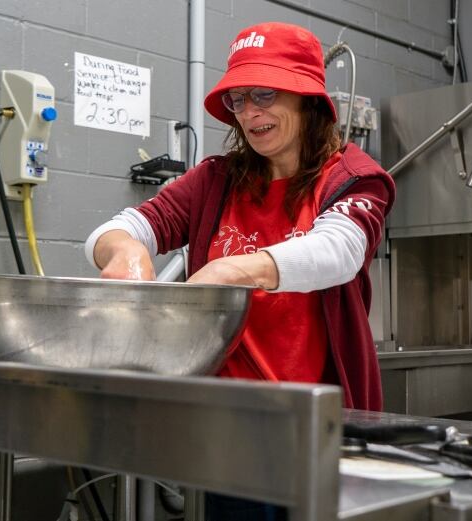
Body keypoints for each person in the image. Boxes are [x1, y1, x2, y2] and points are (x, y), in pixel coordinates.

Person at [85, 21, 395, 519]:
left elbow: (340, 250)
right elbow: (120, 228)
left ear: (308, 100)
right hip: (225, 427)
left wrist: (233, 271)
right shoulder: (216, 180)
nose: (251, 112)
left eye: (266, 93)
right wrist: (124, 252)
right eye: (239, 99)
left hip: (313, 430)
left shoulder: (354, 178)